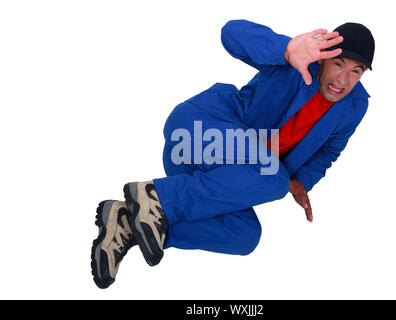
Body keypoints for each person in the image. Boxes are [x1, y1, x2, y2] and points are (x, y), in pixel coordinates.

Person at [91, 19, 375, 289]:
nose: (343, 79)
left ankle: (128, 221)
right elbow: (231, 33)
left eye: (356, 70)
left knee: (244, 236)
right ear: (323, 58)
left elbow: (329, 151)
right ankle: (156, 197)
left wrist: (302, 181)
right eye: (338, 64)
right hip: (198, 132)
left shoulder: (355, 105)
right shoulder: (293, 64)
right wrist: (286, 49)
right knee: (274, 179)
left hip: (218, 176)